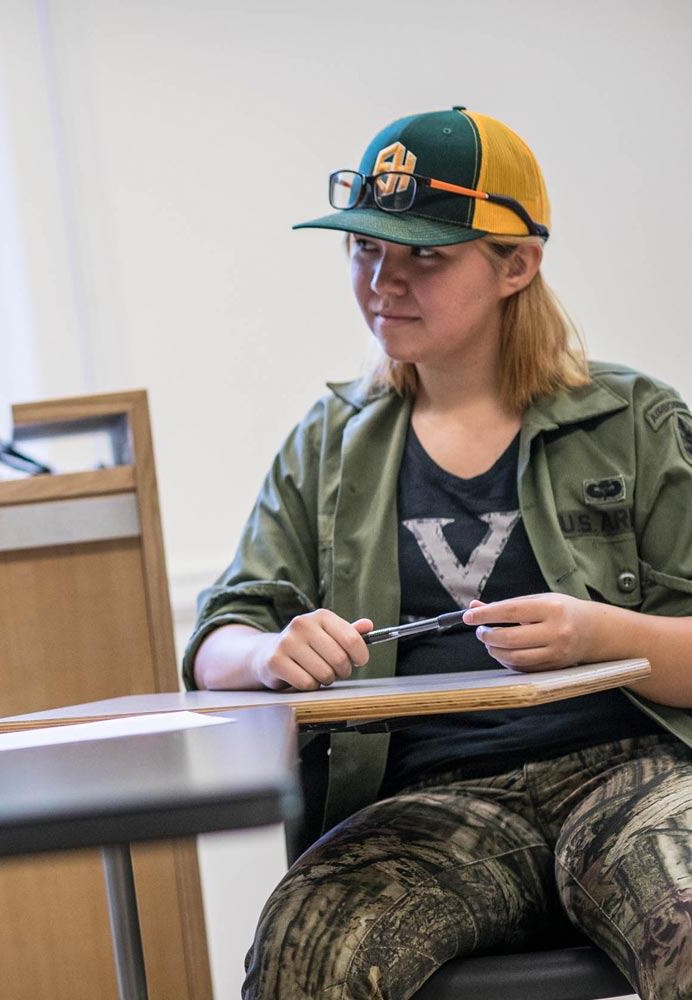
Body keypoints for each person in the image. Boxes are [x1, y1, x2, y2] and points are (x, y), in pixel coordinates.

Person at [185, 106, 692, 999]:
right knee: (308, 947)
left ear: (516, 264)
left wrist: (599, 634)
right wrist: (272, 654)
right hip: (429, 806)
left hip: (633, 775)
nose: (384, 281)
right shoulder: (329, 442)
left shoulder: (638, 423)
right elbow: (218, 645)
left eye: (425, 255)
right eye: (366, 251)